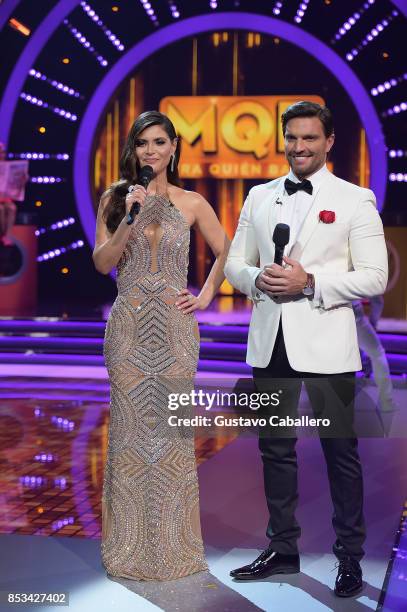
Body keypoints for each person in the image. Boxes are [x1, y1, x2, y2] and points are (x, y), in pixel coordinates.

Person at [224, 101, 388, 598]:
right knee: (275, 450)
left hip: (328, 346)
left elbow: (374, 276)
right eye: (292, 137)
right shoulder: (259, 195)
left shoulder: (356, 199)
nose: (299, 146)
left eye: (309, 138)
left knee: (341, 452)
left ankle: (350, 559)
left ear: (329, 141)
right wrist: (261, 279)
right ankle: (283, 547)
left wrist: (310, 281)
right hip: (269, 341)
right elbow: (235, 264)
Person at [93, 110, 229, 580]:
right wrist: (128, 217)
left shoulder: (192, 202)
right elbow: (102, 261)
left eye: (159, 142)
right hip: (128, 331)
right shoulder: (115, 197)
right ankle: (129, 548)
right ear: (133, 150)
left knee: (169, 439)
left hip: (174, 331)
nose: (150, 151)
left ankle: (173, 548)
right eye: (142, 143)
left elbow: (225, 249)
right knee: (131, 438)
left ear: (174, 147)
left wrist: (207, 293)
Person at [353, 296, 397, 412]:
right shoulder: (359, 276)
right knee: (378, 355)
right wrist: (373, 323)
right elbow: (377, 301)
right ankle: (386, 402)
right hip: (355, 317)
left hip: (327, 317)